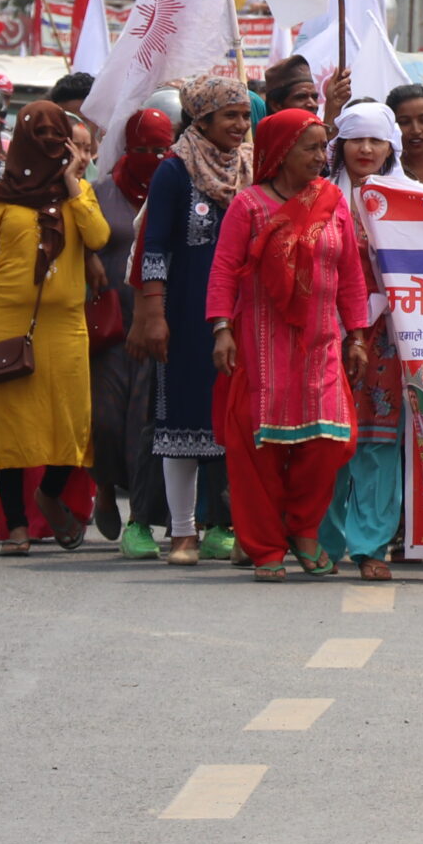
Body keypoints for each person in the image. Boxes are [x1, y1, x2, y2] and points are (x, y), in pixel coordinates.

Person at [207, 109, 373, 581]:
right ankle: (264, 547)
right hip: (260, 346)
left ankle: (303, 528)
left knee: (332, 438)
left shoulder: (333, 199)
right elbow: (222, 271)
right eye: (311, 148)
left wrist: (356, 336)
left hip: (320, 342)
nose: (321, 158)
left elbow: (349, 276)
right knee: (258, 448)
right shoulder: (250, 206)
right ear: (281, 153)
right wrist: (221, 329)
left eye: (324, 148)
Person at [0, 100, 109, 555]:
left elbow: (97, 237)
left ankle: (51, 495)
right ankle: (16, 526)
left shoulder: (77, 192)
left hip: (66, 326)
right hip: (9, 323)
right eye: (38, 137)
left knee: (74, 425)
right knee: (11, 427)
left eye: (54, 136)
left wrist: (73, 184)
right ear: (21, 141)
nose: (47, 145)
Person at [130, 76, 252, 566]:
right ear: (202, 120)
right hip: (184, 311)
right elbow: (154, 245)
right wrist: (154, 312)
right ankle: (183, 533)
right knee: (182, 419)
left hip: (243, 312)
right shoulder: (175, 171)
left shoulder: (252, 166)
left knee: (234, 419)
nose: (242, 126)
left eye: (245, 115)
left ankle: (236, 526)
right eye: (231, 116)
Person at [317, 102, 408, 579]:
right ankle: (324, 541)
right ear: (340, 145)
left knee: (379, 438)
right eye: (357, 140)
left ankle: (371, 544)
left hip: (388, 335)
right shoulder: (319, 198)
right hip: (328, 331)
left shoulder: (411, 198)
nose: (367, 149)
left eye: (376, 140)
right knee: (328, 436)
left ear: (390, 145)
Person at [94, 102, 176, 557]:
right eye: (141, 149)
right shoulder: (101, 192)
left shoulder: (175, 189)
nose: (151, 158)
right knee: (105, 421)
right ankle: (103, 487)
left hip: (158, 326)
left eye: (160, 150)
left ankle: (141, 516)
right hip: (110, 328)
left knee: (144, 423)